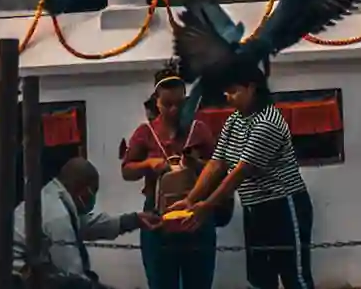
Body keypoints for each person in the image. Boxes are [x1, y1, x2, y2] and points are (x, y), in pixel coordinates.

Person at [174, 66, 312, 289]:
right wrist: (191, 199)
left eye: (233, 91)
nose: (227, 97)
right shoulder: (234, 120)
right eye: (225, 92)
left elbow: (240, 171)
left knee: (295, 277)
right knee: (260, 279)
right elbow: (217, 163)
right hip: (254, 207)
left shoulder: (267, 122)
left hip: (284, 206)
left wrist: (207, 206)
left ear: (251, 88)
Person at [122, 77, 217, 289]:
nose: (174, 110)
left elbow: (217, 168)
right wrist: (148, 163)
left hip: (196, 218)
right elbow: (126, 171)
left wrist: (196, 164)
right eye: (167, 104)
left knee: (199, 283)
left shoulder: (199, 129)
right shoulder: (145, 133)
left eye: (180, 104)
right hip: (158, 218)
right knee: (161, 283)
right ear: (156, 101)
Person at [39, 156, 154, 284]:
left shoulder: (52, 196)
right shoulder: (58, 217)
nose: (93, 198)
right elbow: (74, 279)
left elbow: (89, 225)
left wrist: (133, 220)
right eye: (93, 191)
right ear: (82, 188)